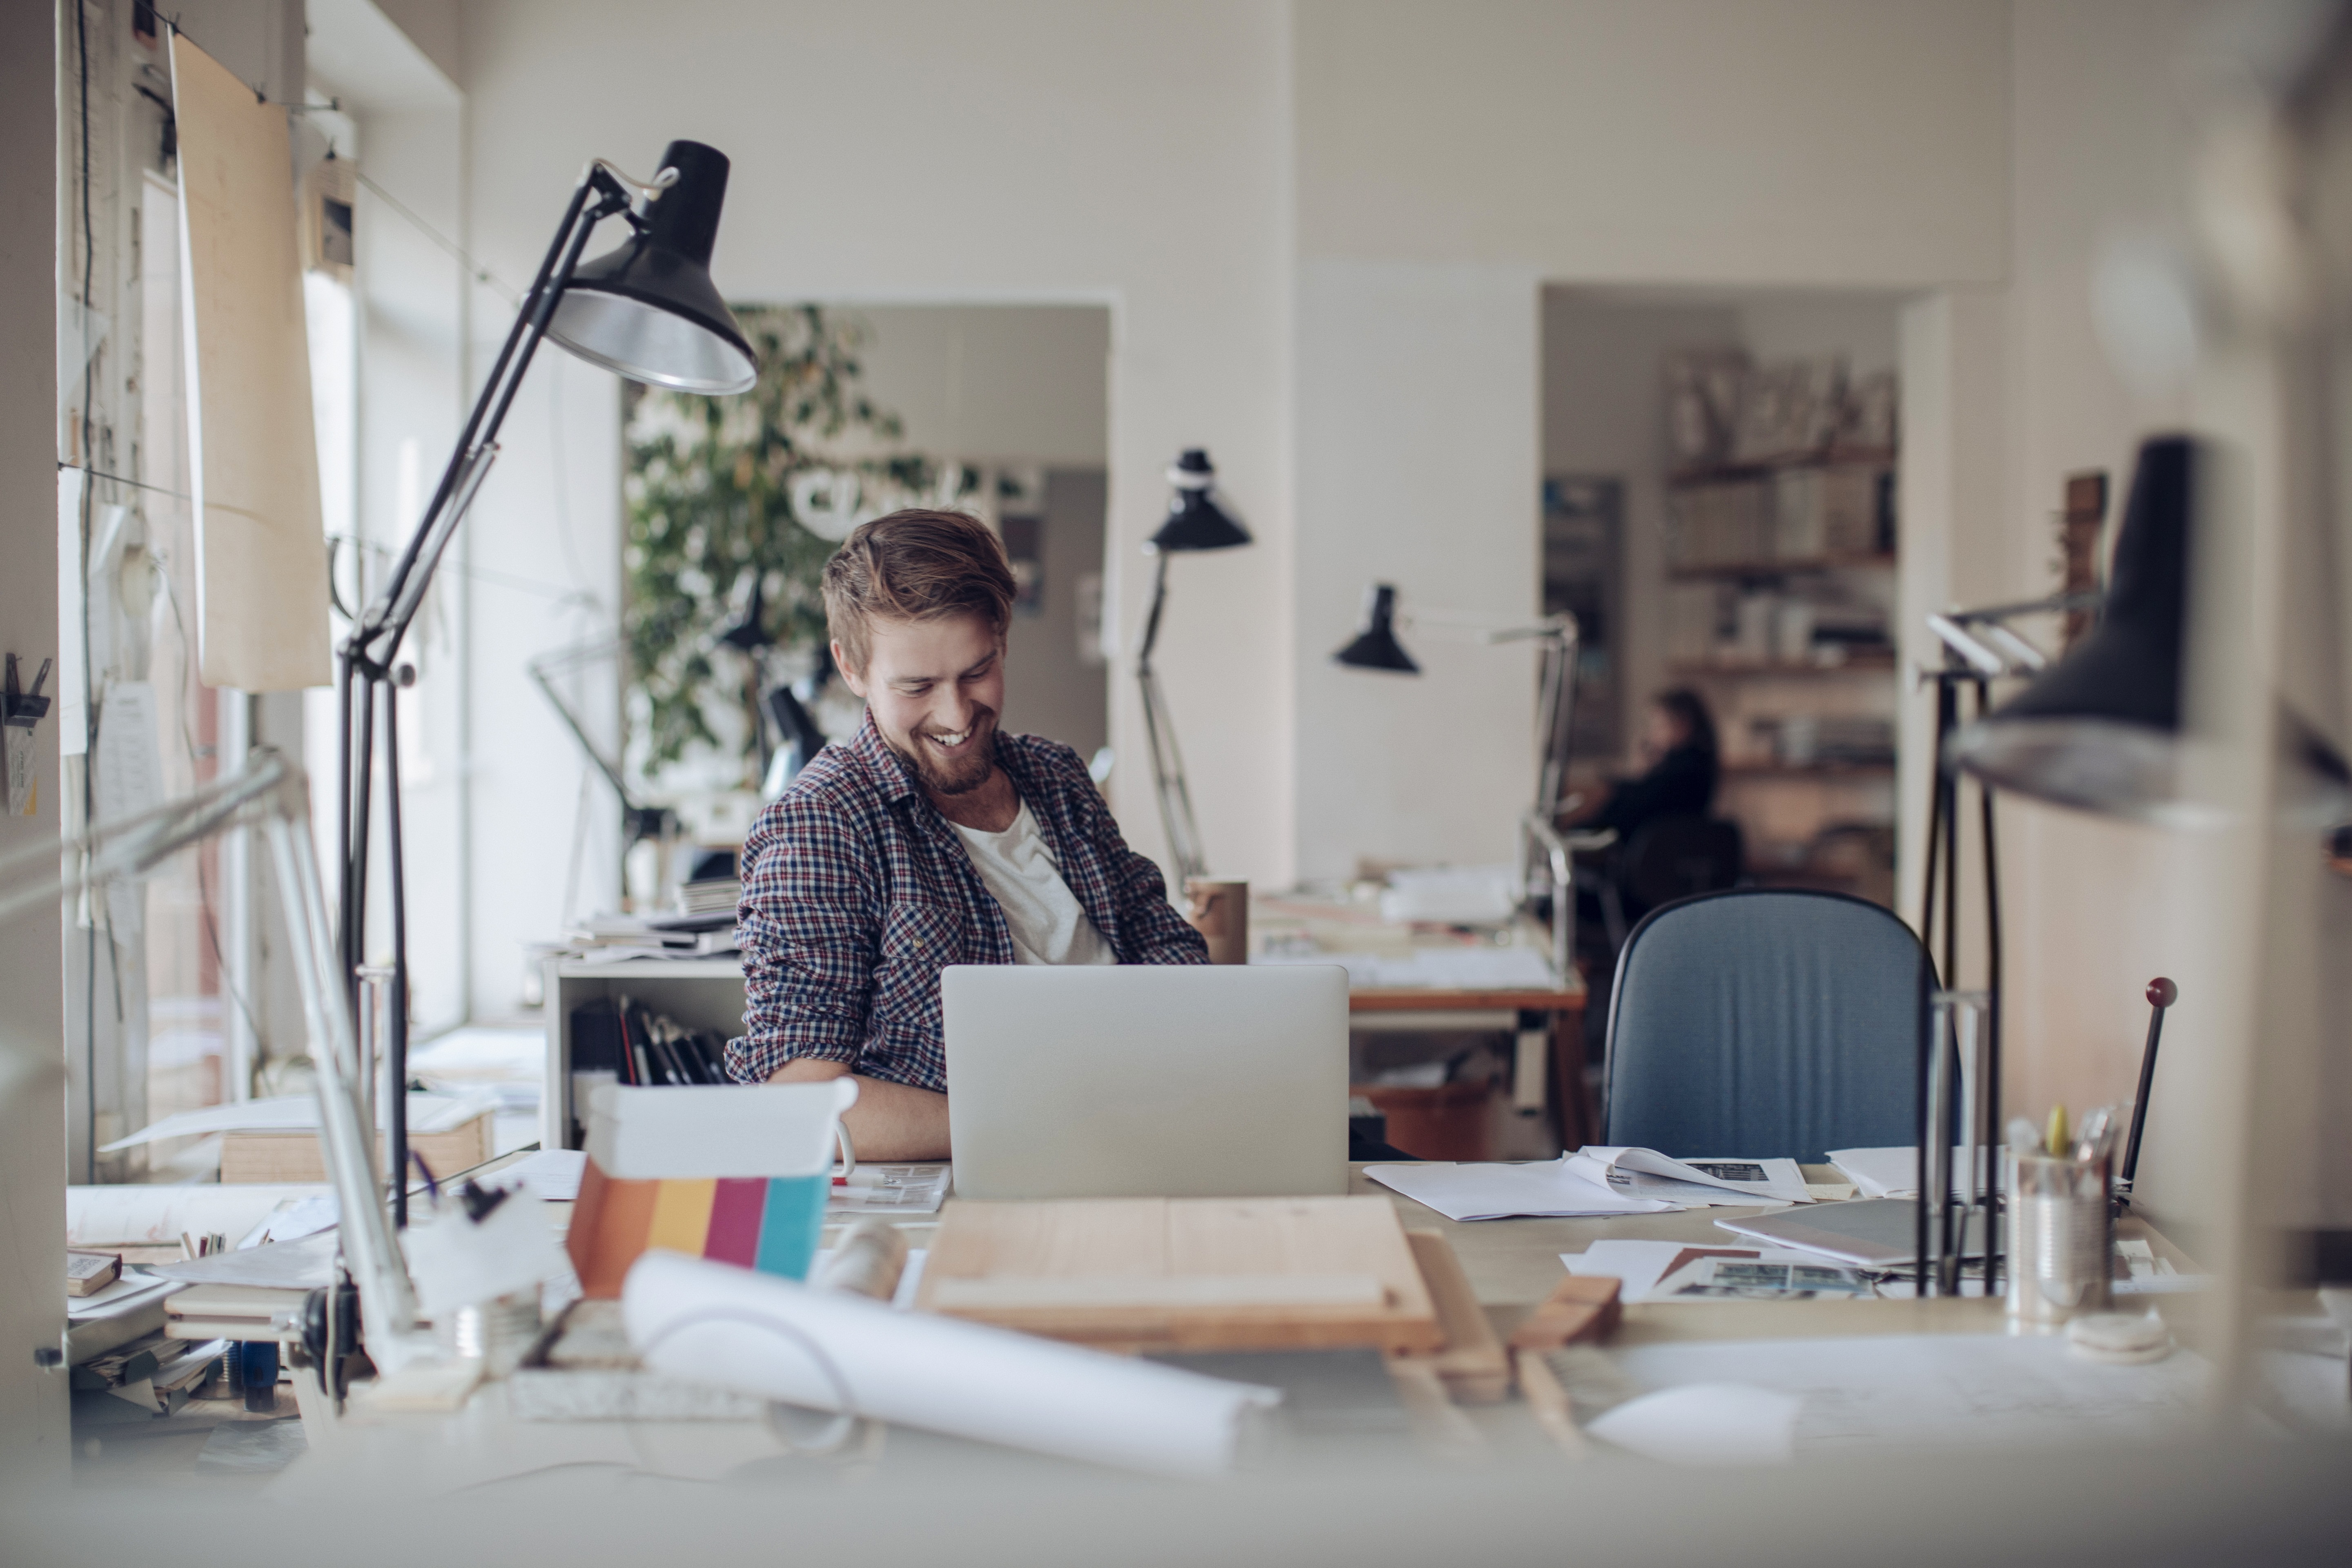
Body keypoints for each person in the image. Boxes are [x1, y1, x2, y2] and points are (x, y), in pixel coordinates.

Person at [726, 509, 1209, 1159]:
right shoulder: (826, 822)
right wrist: (1056, 1124)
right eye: (917, 686)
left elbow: (1170, 956)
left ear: (1001, 640)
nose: (955, 715)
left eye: (976, 672)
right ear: (851, 667)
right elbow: (803, 1099)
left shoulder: (1057, 777)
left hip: (1157, 1138)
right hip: (998, 1179)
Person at [1573, 687, 1719, 840]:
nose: (1652, 735)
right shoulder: (1696, 767)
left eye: (1659, 726)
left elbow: (1623, 818)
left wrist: (1642, 774)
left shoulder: (1679, 774)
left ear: (1682, 725)